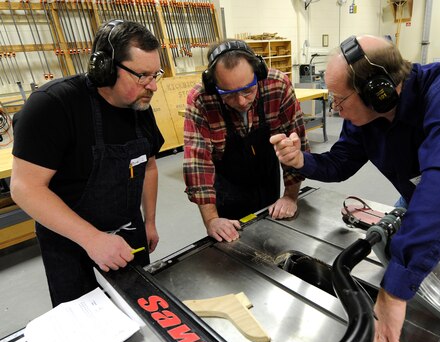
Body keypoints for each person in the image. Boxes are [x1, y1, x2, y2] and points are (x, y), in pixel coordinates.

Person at [270, 35, 440, 342]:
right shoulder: (368, 117)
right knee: (421, 303)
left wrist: (394, 291)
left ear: (379, 91)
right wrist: (302, 162)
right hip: (420, 203)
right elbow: (340, 163)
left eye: (339, 99)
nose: (335, 108)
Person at [10, 20, 165, 307]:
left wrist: (150, 222)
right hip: (72, 244)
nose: (153, 86)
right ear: (104, 68)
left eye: (156, 74)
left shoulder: (139, 107)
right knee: (87, 326)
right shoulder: (53, 105)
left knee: (138, 314)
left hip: (129, 235)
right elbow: (24, 188)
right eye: (142, 76)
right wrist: (92, 239)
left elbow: (150, 165)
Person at [183, 39, 309, 242]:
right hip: (228, 188)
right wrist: (212, 220)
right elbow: (197, 163)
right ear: (213, 85)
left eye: (248, 90)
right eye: (229, 94)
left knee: (273, 237)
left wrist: (290, 196)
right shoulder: (201, 100)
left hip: (267, 177)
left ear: (258, 73)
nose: (241, 101)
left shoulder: (277, 86)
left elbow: (296, 144)